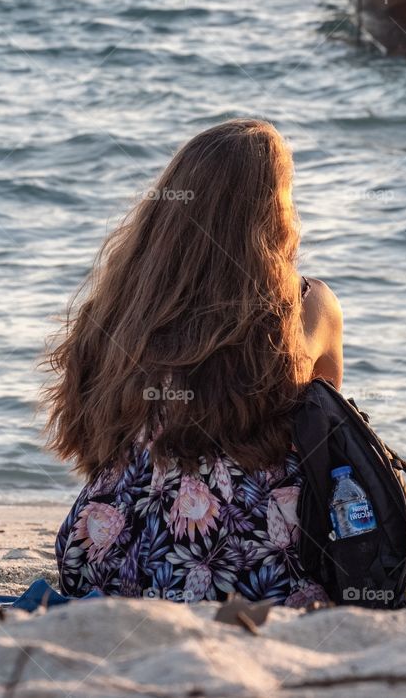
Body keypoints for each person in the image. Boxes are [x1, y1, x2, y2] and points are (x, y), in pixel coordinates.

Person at [43, 119, 343, 606]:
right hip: (248, 567)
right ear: (273, 212)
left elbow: (90, 439)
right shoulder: (307, 308)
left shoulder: (120, 309)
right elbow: (327, 449)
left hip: (104, 553)